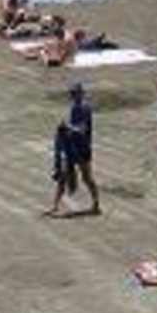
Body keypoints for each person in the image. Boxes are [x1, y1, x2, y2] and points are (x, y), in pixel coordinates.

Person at [59, 83, 101, 215]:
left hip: (83, 148)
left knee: (87, 178)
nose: (72, 96)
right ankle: (58, 202)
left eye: (74, 93)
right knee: (65, 173)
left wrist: (68, 127)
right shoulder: (74, 107)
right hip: (75, 146)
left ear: (81, 93)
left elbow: (82, 129)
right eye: (71, 94)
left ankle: (96, 204)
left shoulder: (84, 108)